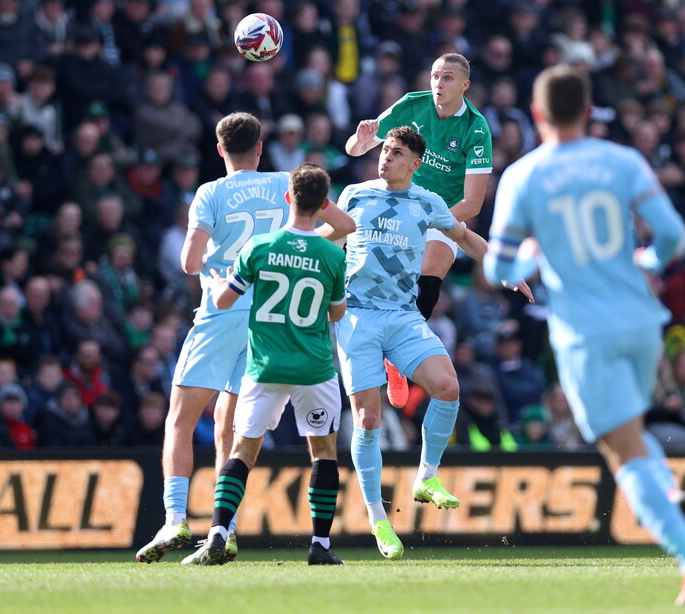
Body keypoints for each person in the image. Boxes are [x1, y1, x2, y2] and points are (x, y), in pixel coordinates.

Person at [483, 65, 685, 605]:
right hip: (642, 320)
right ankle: (669, 488)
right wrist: (646, 259)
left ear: (538, 114)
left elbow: (498, 269)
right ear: (588, 110)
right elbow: (674, 234)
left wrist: (534, 262)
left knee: (621, 450)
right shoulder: (623, 160)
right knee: (634, 433)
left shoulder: (524, 176)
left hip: (586, 331)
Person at [134, 112, 354, 564]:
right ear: (260, 147)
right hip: (270, 318)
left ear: (220, 149)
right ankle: (226, 529)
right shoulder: (285, 183)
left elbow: (190, 263)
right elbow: (345, 226)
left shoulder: (210, 193)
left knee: (181, 416)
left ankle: (176, 517)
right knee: (230, 426)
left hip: (224, 306)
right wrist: (306, 248)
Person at [325, 126, 522, 560]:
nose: (386, 156)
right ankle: (379, 518)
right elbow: (331, 241)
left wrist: (504, 267)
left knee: (449, 387)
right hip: (357, 315)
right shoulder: (355, 194)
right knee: (368, 418)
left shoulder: (427, 202)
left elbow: (465, 237)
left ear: (415, 164)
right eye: (385, 150)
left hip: (401, 315)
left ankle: (426, 475)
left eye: (396, 153)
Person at [188, 163, 347, 566]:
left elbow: (224, 300)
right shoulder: (331, 254)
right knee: (323, 451)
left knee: (242, 450)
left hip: (264, 366)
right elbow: (337, 315)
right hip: (313, 368)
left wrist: (224, 281)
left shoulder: (259, 246)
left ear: (288, 198)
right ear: (324, 203)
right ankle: (320, 546)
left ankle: (219, 533)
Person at [344, 53, 494, 408]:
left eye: (447, 78)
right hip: (395, 198)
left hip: (441, 210)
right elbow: (355, 149)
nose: (438, 84)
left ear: (464, 86)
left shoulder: (476, 128)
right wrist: (361, 138)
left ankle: (396, 359)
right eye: (435, 76)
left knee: (431, 272)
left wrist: (425, 219)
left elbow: (472, 205)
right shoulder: (413, 105)